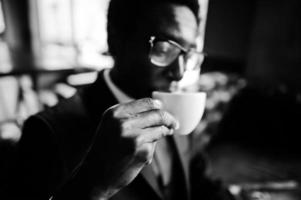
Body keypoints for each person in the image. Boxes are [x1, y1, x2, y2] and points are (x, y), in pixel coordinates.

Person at [3, 0, 234, 199]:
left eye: (188, 53)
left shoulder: (179, 107)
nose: (179, 73)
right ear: (116, 42)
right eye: (164, 49)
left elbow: (200, 182)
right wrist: (93, 186)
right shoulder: (46, 132)